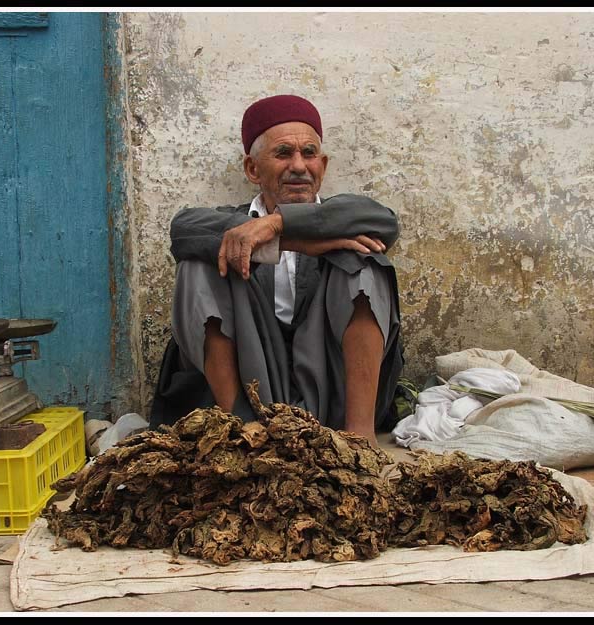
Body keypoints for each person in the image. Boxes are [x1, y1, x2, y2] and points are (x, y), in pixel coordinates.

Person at [149, 94, 403, 446]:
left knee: (364, 263)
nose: (299, 166)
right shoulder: (234, 220)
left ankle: (361, 436)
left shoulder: (346, 217)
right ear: (253, 169)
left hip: (327, 388)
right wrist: (290, 241)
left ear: (323, 166)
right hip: (254, 386)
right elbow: (183, 230)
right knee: (201, 261)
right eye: (283, 153)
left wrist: (278, 225)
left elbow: (385, 221)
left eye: (309, 153)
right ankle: (236, 428)